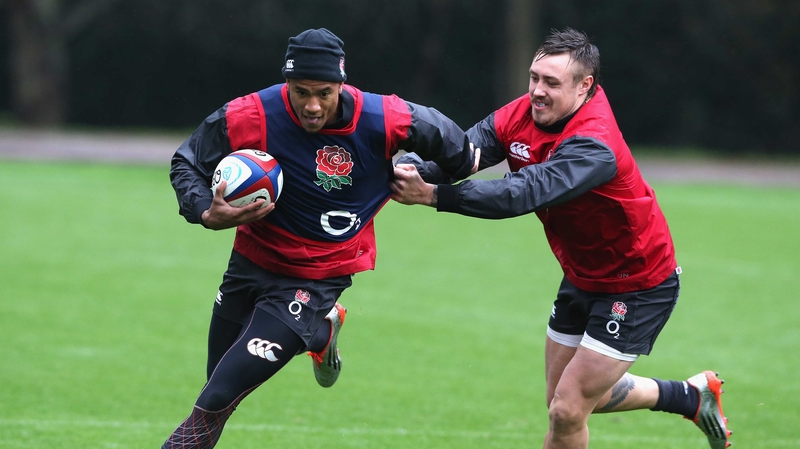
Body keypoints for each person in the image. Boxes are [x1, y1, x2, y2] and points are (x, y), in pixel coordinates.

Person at [390, 28, 731, 449]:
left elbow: (524, 192)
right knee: (568, 400)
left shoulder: (594, 144)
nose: (537, 91)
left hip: (638, 283)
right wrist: (414, 171)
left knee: (567, 410)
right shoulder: (523, 113)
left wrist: (435, 196)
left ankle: (686, 397)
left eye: (551, 83)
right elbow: (467, 152)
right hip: (582, 275)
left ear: (585, 86)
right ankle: (688, 396)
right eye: (535, 77)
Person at [163, 28, 476, 448]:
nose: (312, 105)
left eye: (324, 93)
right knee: (216, 385)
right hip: (250, 264)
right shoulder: (251, 114)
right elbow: (186, 161)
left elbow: (458, 150)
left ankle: (313, 320)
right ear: (286, 84)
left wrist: (425, 180)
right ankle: (318, 334)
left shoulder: (384, 117)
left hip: (316, 278)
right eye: (300, 92)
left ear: (342, 84)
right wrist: (204, 211)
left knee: (215, 401)